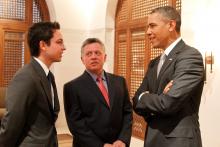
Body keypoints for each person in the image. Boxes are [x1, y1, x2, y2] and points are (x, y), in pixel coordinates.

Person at [133, 6, 204, 147]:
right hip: (152, 139)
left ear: (171, 25)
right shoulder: (154, 63)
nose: (148, 32)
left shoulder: (190, 56)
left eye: (152, 26)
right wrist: (144, 97)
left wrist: (145, 97)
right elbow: (136, 101)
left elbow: (169, 103)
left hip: (178, 142)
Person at [0, 21, 65, 147]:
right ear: (43, 45)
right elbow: (12, 123)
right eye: (59, 42)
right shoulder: (26, 76)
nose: (64, 47)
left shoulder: (48, 75)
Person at [64, 38, 132, 147]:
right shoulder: (72, 87)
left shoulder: (119, 82)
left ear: (104, 57)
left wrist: (122, 139)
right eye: (89, 54)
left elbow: (127, 113)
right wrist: (101, 145)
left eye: (97, 53)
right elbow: (76, 124)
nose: (94, 57)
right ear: (82, 59)